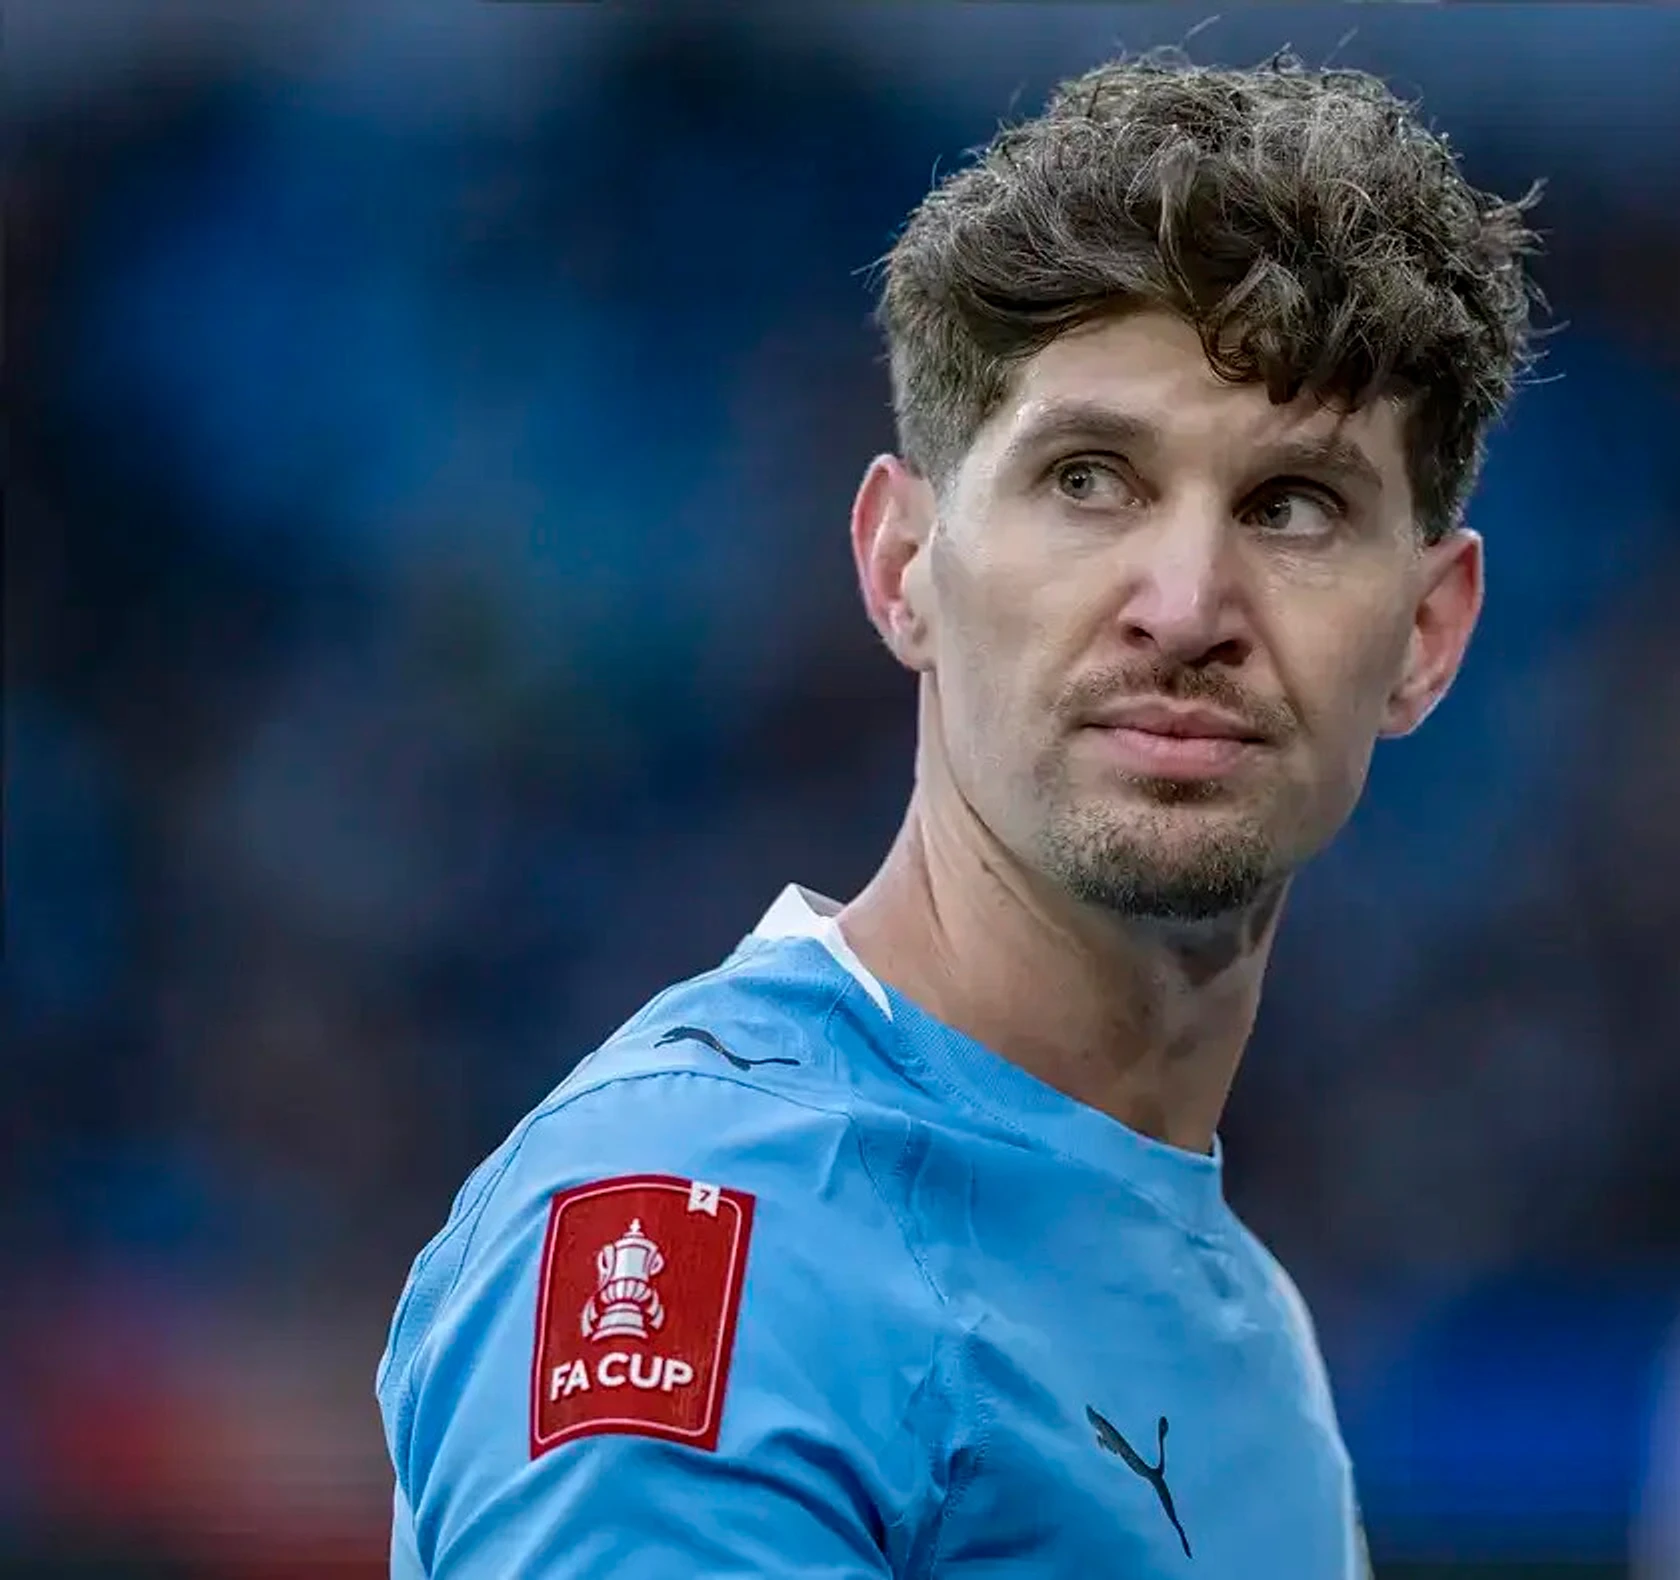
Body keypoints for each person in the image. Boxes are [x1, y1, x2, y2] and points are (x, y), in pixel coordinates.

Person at [377, 48, 1537, 1577]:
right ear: (900, 565)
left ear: (1430, 635)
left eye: (1293, 505)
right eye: (1090, 479)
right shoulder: (704, 1223)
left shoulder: (1249, 1328)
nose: (1188, 603)